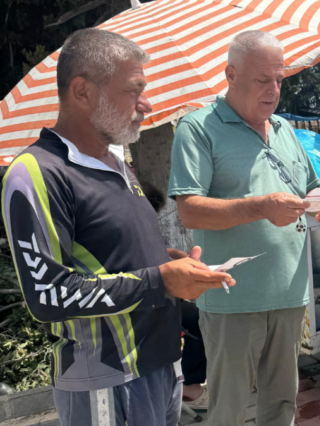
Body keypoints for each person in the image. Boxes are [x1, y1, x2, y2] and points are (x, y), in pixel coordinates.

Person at [1, 29, 234, 426]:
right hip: (106, 378)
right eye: (133, 90)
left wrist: (170, 263)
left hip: (160, 364)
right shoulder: (36, 173)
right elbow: (48, 296)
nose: (146, 104)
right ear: (82, 91)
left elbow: (111, 254)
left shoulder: (116, 163)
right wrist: (160, 280)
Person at [168, 30, 320, 426]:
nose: (274, 89)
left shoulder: (284, 130)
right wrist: (260, 207)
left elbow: (312, 192)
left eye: (279, 79)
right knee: (228, 408)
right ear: (230, 74)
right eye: (263, 79)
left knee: (282, 403)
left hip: (289, 292)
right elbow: (190, 211)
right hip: (232, 298)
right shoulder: (197, 128)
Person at [140, 180, 210, 411]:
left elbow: (155, 253)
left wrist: (174, 255)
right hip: (143, 301)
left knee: (200, 316)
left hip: (156, 296)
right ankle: (189, 386)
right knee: (200, 320)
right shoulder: (129, 226)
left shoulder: (141, 225)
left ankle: (185, 381)